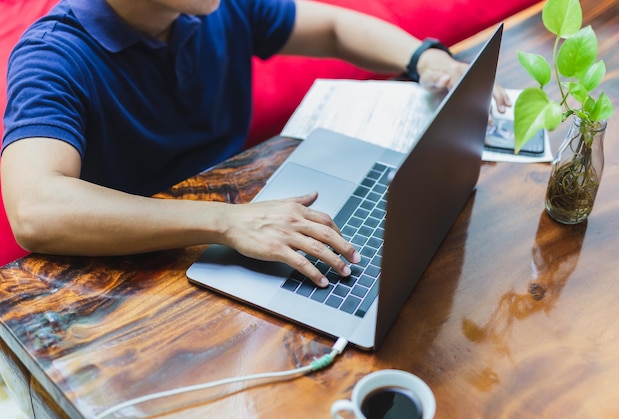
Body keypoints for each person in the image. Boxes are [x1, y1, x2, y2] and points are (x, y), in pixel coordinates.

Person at [1, 0, 510, 288]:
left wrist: (426, 61)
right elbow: (35, 209)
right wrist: (227, 222)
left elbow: (333, 28)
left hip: (249, 216)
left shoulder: (212, 8)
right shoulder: (52, 57)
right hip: (137, 273)